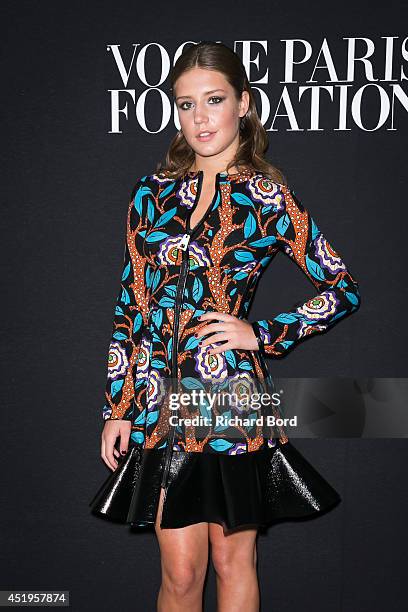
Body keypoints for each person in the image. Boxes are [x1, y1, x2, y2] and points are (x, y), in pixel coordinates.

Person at [89, 41, 361, 611]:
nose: (199, 118)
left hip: (231, 401)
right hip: (157, 406)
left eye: (213, 100)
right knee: (180, 570)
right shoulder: (150, 193)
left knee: (231, 559)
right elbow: (129, 307)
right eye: (185, 105)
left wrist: (260, 332)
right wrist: (117, 407)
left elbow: (341, 288)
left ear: (244, 104)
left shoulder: (269, 197)